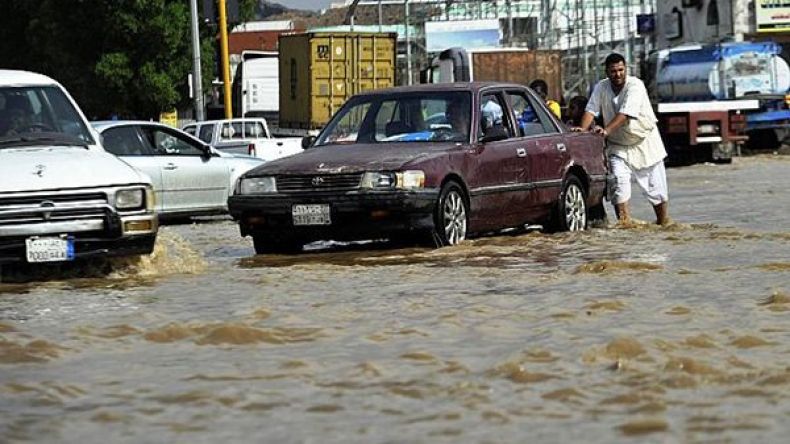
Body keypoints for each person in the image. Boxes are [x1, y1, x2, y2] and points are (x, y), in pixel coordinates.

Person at [573, 52, 671, 226]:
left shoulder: (636, 86)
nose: (617, 74)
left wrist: (606, 130)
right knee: (618, 183)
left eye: (620, 70)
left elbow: (625, 114)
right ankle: (625, 226)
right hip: (619, 146)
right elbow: (591, 110)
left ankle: (664, 223)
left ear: (626, 69)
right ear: (607, 72)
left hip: (645, 141)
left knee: (656, 191)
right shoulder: (601, 87)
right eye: (613, 71)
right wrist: (583, 129)